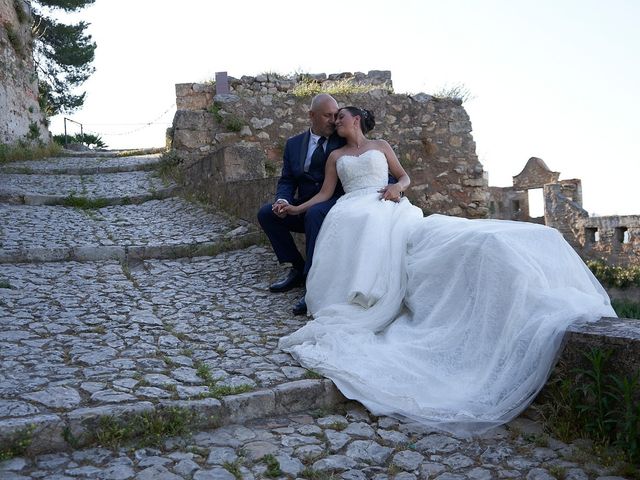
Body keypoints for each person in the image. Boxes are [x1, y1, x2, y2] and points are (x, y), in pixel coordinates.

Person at [279, 106, 616, 436]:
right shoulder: (335, 157)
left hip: (388, 204)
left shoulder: (381, 147)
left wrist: (398, 187)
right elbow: (325, 193)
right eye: (332, 118)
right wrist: (296, 206)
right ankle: (363, 291)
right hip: (354, 209)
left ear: (356, 119)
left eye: (341, 117)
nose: (336, 122)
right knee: (363, 224)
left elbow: (404, 176)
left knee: (457, 236)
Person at [257, 94, 345, 316]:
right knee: (267, 214)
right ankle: (296, 268)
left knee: (314, 213)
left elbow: (366, 154)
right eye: (328, 115)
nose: (333, 120)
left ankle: (312, 285)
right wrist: (283, 200)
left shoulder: (343, 139)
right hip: (304, 204)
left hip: (335, 205)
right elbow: (287, 180)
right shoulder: (293, 144)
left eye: (336, 115)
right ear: (311, 115)